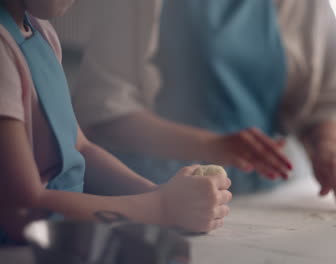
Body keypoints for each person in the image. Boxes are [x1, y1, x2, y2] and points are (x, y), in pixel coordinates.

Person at [73, 0, 336, 212]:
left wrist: (329, 148)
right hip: (150, 192)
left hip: (266, 194)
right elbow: (104, 108)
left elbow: (323, 103)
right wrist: (212, 145)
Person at [0, 0, 231, 245]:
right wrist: (160, 208)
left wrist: (156, 192)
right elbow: (23, 210)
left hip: (66, 242)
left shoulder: (42, 32)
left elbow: (80, 148)